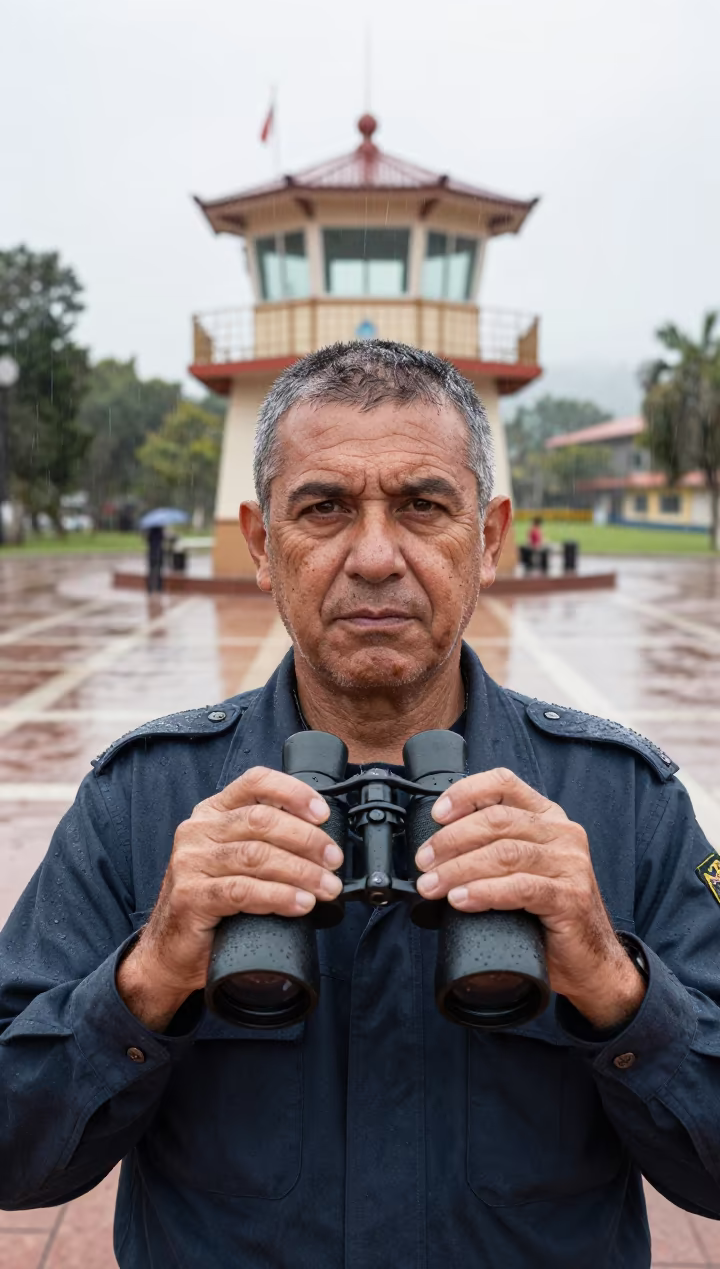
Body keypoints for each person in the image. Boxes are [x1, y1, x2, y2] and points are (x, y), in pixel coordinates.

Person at [1, 340, 719, 1268]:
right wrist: (145, 980)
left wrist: (619, 991)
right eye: (325, 508)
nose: (375, 557)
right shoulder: (144, 801)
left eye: (424, 507)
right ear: (263, 545)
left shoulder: (623, 805)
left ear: (490, 538)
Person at [145, 523, 164, 592]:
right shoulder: (160, 531)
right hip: (158, 553)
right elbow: (162, 539)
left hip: (151, 553)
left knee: (151, 571)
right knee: (158, 571)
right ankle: (159, 587)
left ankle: (150, 587)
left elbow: (147, 540)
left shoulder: (149, 531)